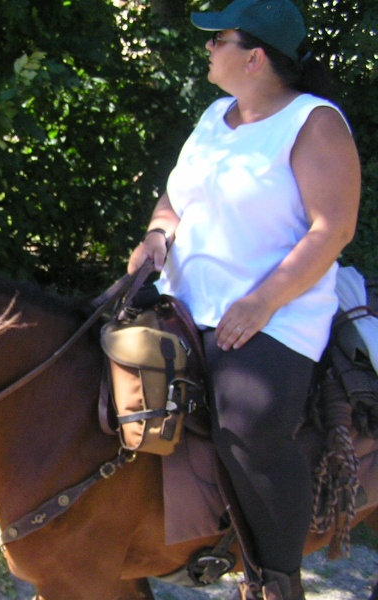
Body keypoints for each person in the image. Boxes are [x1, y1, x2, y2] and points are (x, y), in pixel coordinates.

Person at [126, 0, 361, 598]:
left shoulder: (314, 122)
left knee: (245, 422)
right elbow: (173, 201)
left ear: (254, 57)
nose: (207, 48)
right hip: (184, 302)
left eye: (218, 39)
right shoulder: (214, 116)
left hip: (275, 315)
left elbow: (332, 228)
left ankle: (277, 582)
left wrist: (262, 303)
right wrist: (157, 237)